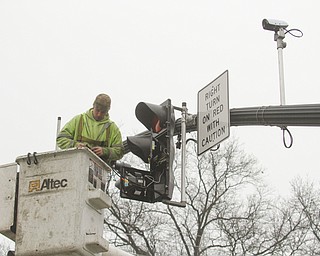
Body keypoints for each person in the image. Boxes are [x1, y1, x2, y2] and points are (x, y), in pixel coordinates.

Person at [56, 93, 124, 165]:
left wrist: (105, 151)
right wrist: (76, 145)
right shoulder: (79, 120)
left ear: (107, 111)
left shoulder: (112, 128)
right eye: (97, 110)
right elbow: (61, 138)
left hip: (99, 171)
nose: (99, 114)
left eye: (103, 112)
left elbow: (119, 151)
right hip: (74, 166)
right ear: (93, 106)